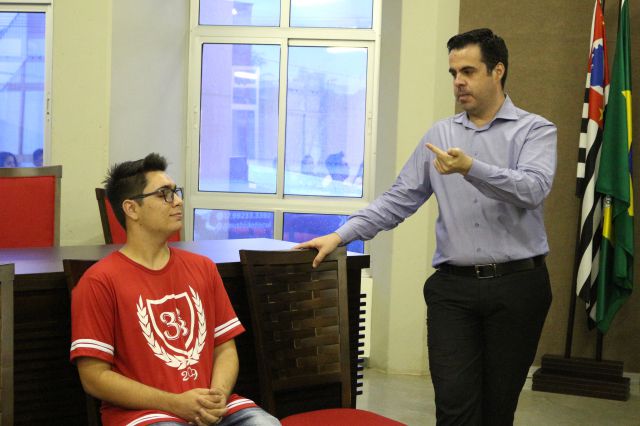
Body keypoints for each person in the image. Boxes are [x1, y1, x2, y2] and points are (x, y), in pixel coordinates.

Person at [295, 28, 556, 426]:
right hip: (453, 291)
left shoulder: (535, 130)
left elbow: (532, 189)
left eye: (468, 71)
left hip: (518, 286)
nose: (458, 82)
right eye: (453, 73)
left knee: (497, 409)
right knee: (453, 407)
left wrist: (471, 168)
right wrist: (341, 234)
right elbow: (399, 199)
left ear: (498, 71)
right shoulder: (440, 135)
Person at [70, 153, 280, 426]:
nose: (178, 201)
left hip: (212, 408)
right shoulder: (99, 281)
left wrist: (216, 397)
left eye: (175, 192)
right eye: (164, 194)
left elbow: (225, 349)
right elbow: (94, 377)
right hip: (146, 414)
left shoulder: (203, 267)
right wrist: (174, 403)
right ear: (131, 209)